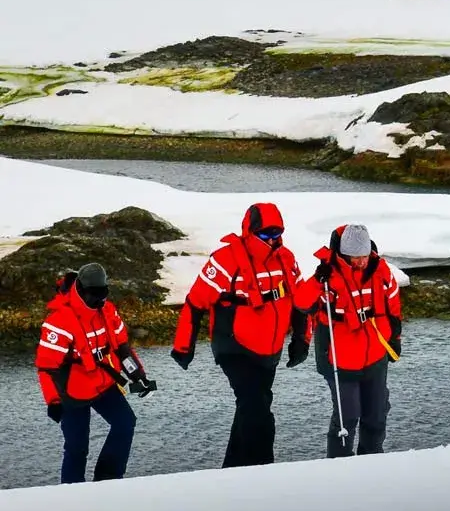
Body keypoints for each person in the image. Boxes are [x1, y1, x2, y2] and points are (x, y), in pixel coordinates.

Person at [171, 202, 308, 468]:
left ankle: (231, 471)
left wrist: (301, 340)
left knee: (252, 406)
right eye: (265, 234)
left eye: (277, 233)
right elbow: (195, 303)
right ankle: (263, 473)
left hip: (269, 349)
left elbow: (301, 302)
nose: (272, 239)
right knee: (258, 411)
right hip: (234, 346)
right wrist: (183, 347)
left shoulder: (287, 258)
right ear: (250, 231)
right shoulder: (225, 260)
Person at [35, 263, 156, 484]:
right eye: (93, 294)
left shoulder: (107, 311)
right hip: (71, 393)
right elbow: (46, 367)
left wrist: (139, 376)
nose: (98, 300)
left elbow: (122, 348)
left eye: (102, 294)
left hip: (103, 383)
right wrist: (53, 401)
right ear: (80, 289)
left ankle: (108, 479)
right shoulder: (59, 322)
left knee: (126, 423)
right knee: (77, 448)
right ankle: (72, 494)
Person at [293, 224, 403, 456]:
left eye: (364, 256)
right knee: (347, 417)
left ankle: (372, 462)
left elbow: (393, 305)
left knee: (376, 415)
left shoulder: (381, 271)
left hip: (375, 355)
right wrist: (316, 280)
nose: (361, 262)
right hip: (339, 358)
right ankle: (339, 467)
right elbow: (302, 303)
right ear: (344, 254)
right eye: (355, 257)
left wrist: (395, 338)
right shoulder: (327, 275)